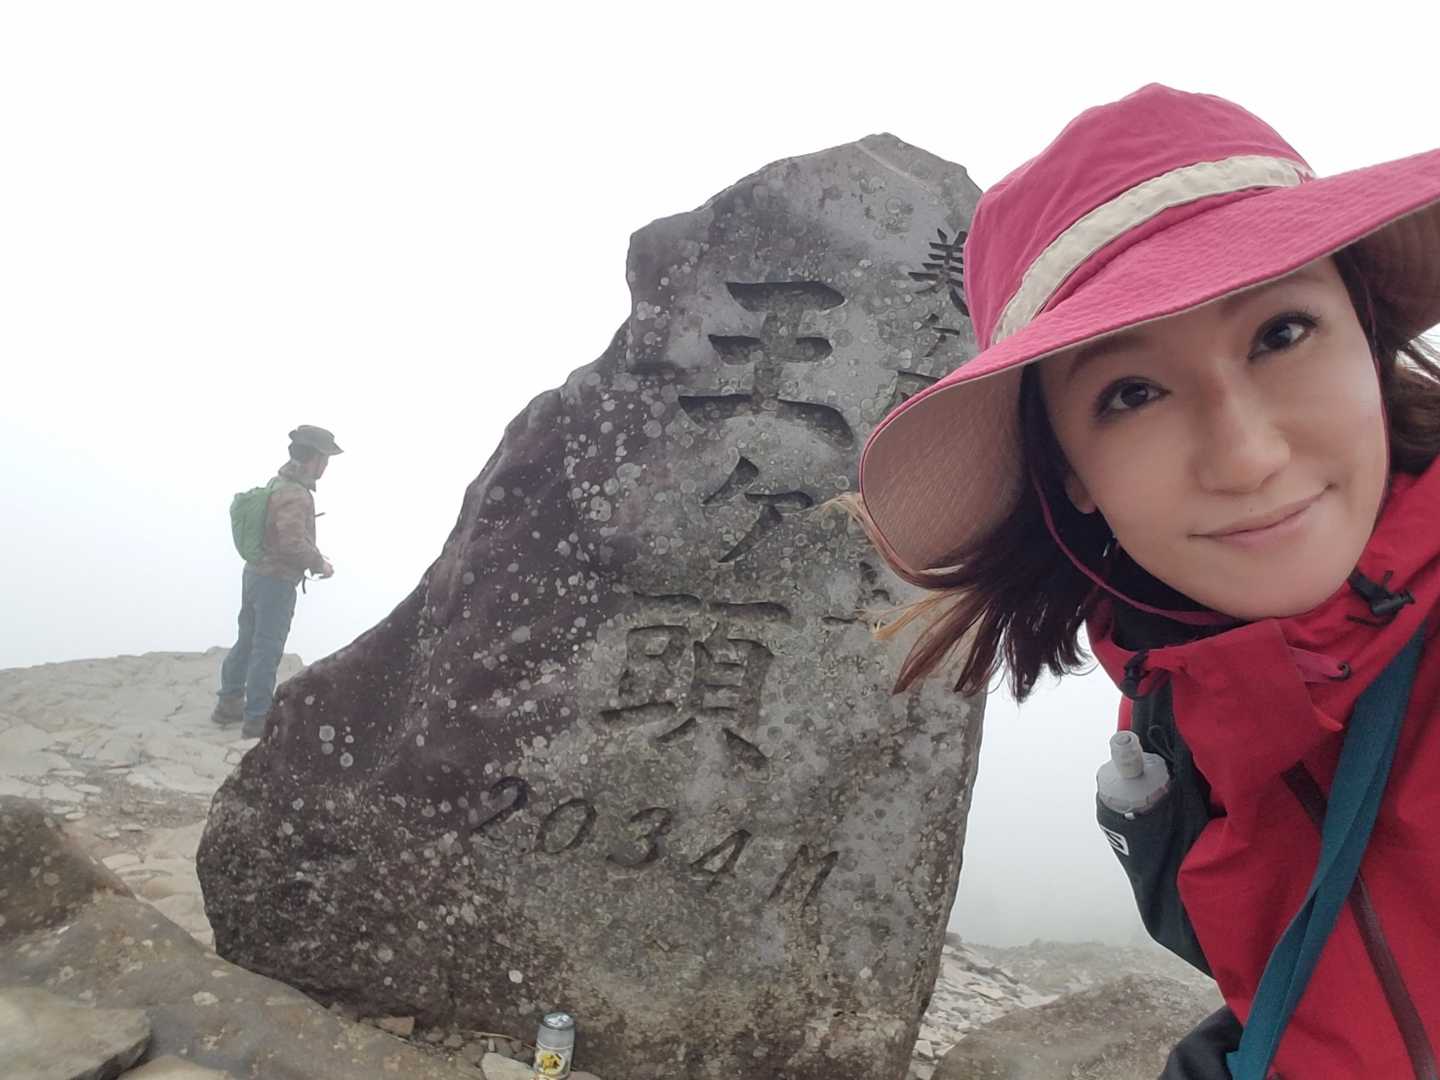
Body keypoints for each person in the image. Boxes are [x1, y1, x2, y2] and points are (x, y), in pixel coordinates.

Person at [852, 85, 1440, 1077]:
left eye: (1281, 333)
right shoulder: (1175, 702)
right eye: (1132, 393)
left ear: (1366, 331)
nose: (1247, 456)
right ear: (1069, 472)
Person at [212, 425, 341, 738]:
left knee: (247, 639)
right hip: (276, 582)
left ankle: (229, 702)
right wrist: (320, 564)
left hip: (255, 574)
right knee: (267, 648)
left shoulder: (278, 482)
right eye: (325, 459)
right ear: (313, 459)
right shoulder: (295, 494)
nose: (326, 466)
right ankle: (257, 719)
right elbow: (291, 544)